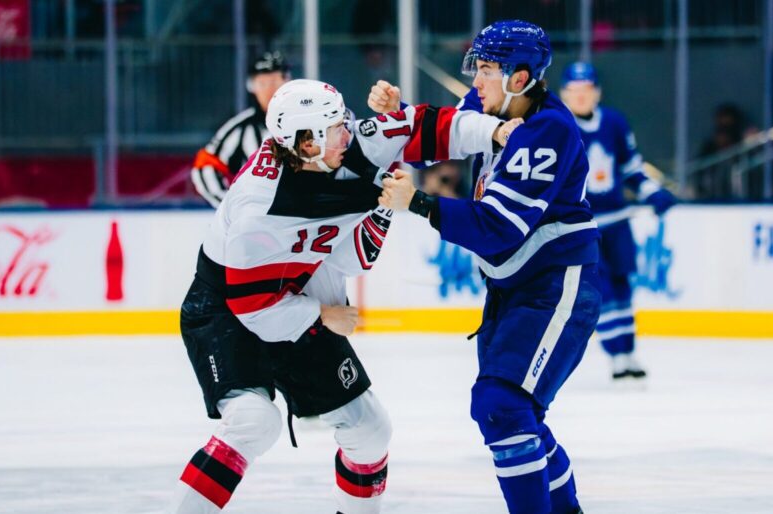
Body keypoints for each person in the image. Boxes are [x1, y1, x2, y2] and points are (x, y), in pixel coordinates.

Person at [170, 79, 516, 514]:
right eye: (336, 127)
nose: (349, 131)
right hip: (227, 308)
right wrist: (321, 314)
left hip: (296, 293)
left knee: (369, 430)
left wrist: (494, 131)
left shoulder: (343, 145)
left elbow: (424, 127)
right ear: (307, 143)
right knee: (254, 422)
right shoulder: (257, 210)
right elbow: (252, 306)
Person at [374, 20, 600, 514]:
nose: (475, 81)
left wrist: (420, 203)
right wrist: (396, 115)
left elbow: (498, 228)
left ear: (520, 78)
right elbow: (429, 139)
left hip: (556, 287)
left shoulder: (547, 131)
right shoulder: (491, 108)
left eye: (487, 70)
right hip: (514, 291)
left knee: (501, 407)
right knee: (517, 415)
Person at [559, 61, 677, 381]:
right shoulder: (559, 128)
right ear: (564, 94)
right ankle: (616, 355)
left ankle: (629, 352)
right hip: (584, 229)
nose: (581, 96)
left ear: (597, 92)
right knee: (604, 290)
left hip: (618, 222)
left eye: (587, 89)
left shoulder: (614, 122)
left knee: (623, 287)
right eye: (574, 90)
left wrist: (653, 192)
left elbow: (631, 168)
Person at [190, 51, 291, 207]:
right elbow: (205, 165)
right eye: (262, 83)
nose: (269, 89)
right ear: (252, 86)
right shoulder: (241, 128)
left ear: (288, 82)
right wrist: (232, 207)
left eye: (275, 81)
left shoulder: (311, 119)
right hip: (261, 218)